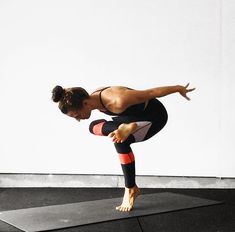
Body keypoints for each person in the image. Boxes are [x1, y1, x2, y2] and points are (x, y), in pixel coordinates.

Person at [51, 84, 195, 212]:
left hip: (154, 118)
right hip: (129, 119)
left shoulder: (118, 100)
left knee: (119, 140)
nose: (78, 119)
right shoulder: (95, 97)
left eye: (77, 115)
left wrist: (178, 88)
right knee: (94, 127)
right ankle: (123, 128)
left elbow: (151, 93)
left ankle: (130, 188)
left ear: (85, 103)